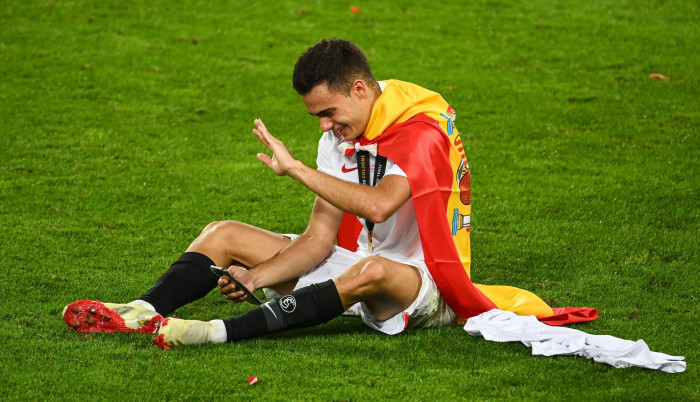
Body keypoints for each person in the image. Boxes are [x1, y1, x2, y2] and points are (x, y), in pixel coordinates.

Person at [63, 38, 593, 349]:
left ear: (359, 89)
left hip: (422, 283)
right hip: (354, 261)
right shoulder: (341, 136)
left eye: (328, 112)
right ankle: (138, 312)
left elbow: (382, 204)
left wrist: (295, 171)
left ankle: (215, 333)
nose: (324, 127)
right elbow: (319, 238)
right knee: (222, 234)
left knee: (372, 271)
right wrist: (256, 275)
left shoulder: (422, 130)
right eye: (316, 116)